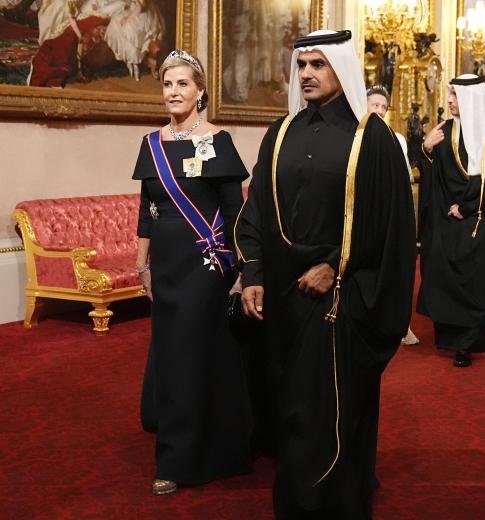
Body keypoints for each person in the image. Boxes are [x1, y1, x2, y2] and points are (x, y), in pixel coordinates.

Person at [234, 30, 415, 518]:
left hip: (340, 297)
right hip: (281, 295)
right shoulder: (280, 134)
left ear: (342, 69)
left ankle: (326, 504)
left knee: (327, 407)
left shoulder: (371, 139)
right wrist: (252, 272)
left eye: (319, 64)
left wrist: (335, 265)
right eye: (303, 65)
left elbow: (389, 222)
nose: (308, 73)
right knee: (289, 404)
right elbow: (256, 214)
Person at [133, 50, 253, 495]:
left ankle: (184, 459)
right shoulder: (151, 145)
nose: (174, 92)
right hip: (165, 267)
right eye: (167, 85)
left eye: (183, 84)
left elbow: (236, 211)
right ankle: (180, 441)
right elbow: (146, 211)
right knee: (171, 357)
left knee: (194, 356)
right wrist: (140, 262)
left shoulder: (218, 141)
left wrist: (242, 269)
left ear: (200, 92)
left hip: (207, 265)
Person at [417, 73, 485, 367]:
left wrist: (468, 205)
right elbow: (436, 174)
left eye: (455, 95)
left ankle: (468, 345)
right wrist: (426, 149)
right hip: (449, 219)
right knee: (447, 280)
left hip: (482, 219)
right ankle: (449, 339)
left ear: (471, 98)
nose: (449, 100)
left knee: (477, 283)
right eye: (449, 94)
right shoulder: (444, 129)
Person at [366, 84, 420, 345]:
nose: (379, 110)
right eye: (374, 105)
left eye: (383, 107)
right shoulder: (353, 133)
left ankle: (399, 324)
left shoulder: (396, 138)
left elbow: (404, 181)